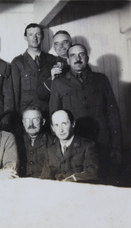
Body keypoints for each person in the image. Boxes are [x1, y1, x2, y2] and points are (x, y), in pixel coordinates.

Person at [49, 44, 122, 185]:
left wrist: (116, 146)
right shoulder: (59, 83)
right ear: (68, 61)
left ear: (87, 57)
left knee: (104, 183)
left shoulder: (101, 80)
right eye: (73, 56)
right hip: (76, 147)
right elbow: (54, 116)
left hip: (102, 142)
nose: (78, 59)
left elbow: (113, 114)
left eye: (81, 54)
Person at [40, 110, 99, 182]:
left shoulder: (88, 146)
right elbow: (45, 178)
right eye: (56, 125)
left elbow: (93, 172)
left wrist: (73, 179)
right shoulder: (50, 150)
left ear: (73, 124)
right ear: (53, 128)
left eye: (64, 124)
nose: (60, 130)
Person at [11, 23, 55, 113]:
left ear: (42, 36)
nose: (35, 38)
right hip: (27, 112)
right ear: (25, 37)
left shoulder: (51, 59)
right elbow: (15, 92)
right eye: (31, 35)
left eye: (38, 34)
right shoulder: (18, 62)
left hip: (47, 111)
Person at [18, 107, 55, 177]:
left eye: (35, 120)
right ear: (23, 123)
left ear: (43, 122)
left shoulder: (53, 142)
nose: (31, 124)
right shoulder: (17, 142)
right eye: (27, 120)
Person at [37, 30, 72, 102]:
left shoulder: (80, 63)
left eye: (64, 42)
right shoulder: (48, 66)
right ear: (54, 47)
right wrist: (52, 78)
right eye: (57, 44)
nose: (61, 46)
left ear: (71, 43)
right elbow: (41, 94)